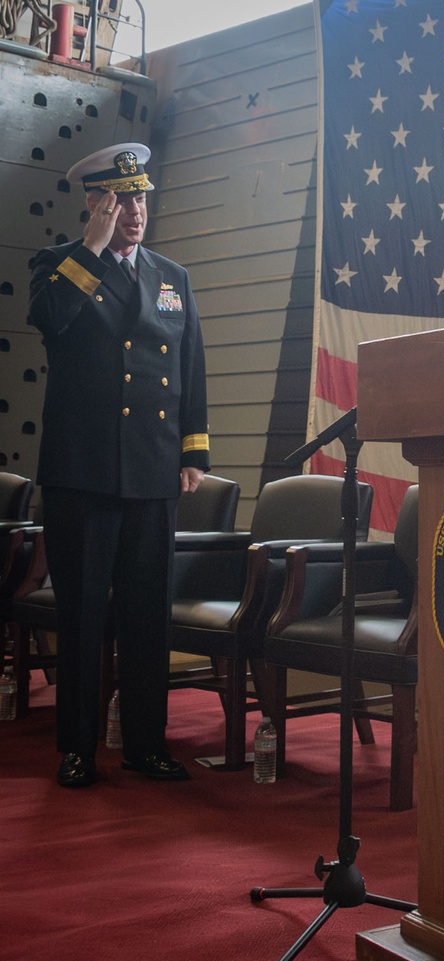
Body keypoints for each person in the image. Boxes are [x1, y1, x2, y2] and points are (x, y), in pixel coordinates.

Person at [28, 143, 210, 788]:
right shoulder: (58, 265)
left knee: (146, 613)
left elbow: (190, 367)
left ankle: (144, 744)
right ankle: (77, 748)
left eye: (139, 198)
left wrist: (194, 452)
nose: (134, 210)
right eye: (120, 199)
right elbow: (49, 320)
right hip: (82, 472)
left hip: (153, 472)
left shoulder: (171, 276)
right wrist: (90, 249)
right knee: (80, 614)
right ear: (96, 202)